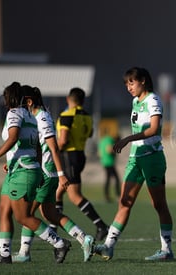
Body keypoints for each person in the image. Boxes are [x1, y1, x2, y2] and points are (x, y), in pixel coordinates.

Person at [0, 82, 71, 264]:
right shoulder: (30, 116)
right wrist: (33, 165)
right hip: (20, 169)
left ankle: (60, 243)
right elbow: (37, 146)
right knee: (3, 209)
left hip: (23, 171)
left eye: (6, 97)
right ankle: (5, 255)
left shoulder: (14, 113)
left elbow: (13, 138)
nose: (4, 101)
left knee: (23, 217)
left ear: (11, 98)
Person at [93, 67, 174, 261]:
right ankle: (109, 246)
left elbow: (154, 129)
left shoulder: (153, 100)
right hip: (135, 158)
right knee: (124, 202)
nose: (129, 87)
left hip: (152, 158)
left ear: (143, 81)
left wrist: (128, 139)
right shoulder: (135, 101)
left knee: (159, 204)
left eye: (132, 82)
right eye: (126, 84)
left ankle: (166, 250)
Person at [12, 86, 95, 263]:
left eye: (21, 103)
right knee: (50, 214)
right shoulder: (37, 116)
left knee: (26, 214)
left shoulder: (42, 117)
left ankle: (25, 252)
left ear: (29, 101)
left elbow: (54, 147)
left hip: (46, 171)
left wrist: (60, 173)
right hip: (45, 170)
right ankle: (84, 239)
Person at [54, 87, 109, 241]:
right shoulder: (87, 116)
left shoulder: (66, 116)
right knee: (57, 193)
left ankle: (101, 225)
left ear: (68, 99)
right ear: (83, 101)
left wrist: (51, 150)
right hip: (80, 155)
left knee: (74, 196)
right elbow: (90, 133)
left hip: (68, 157)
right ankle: (54, 230)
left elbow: (63, 140)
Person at [98, 131, 121, 202]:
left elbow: (99, 153)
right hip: (109, 162)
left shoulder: (102, 140)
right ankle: (118, 195)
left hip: (104, 162)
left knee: (108, 179)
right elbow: (109, 150)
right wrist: (115, 151)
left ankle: (107, 196)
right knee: (116, 179)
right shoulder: (110, 140)